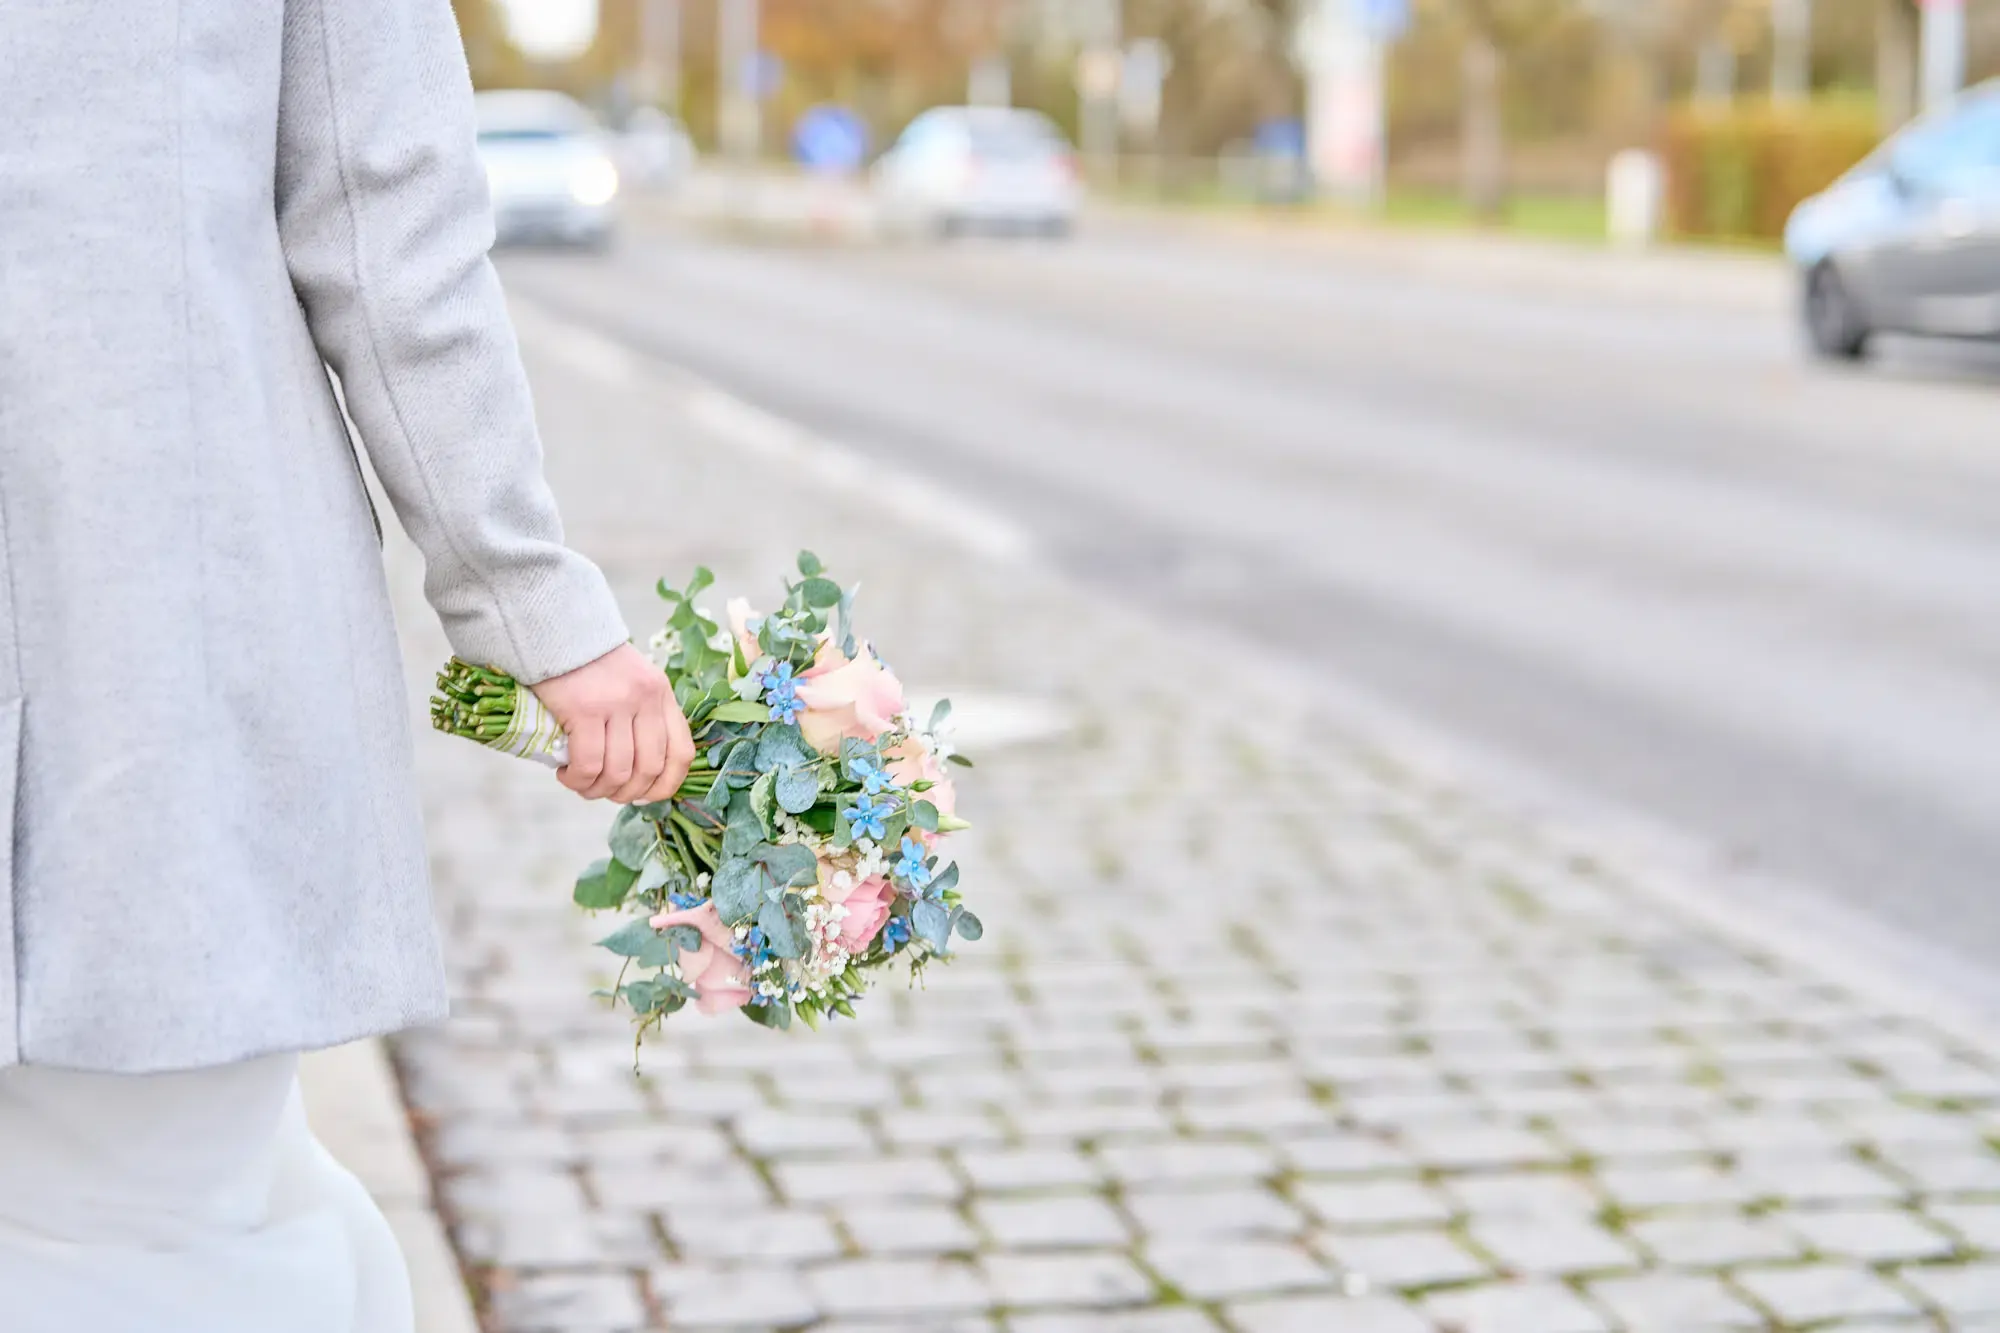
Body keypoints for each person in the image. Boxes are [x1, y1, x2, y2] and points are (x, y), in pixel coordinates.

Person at [0, 2, 693, 1329]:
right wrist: (534, 608)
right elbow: (387, 235)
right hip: (139, 650)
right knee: (148, 1222)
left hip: (125, 647)